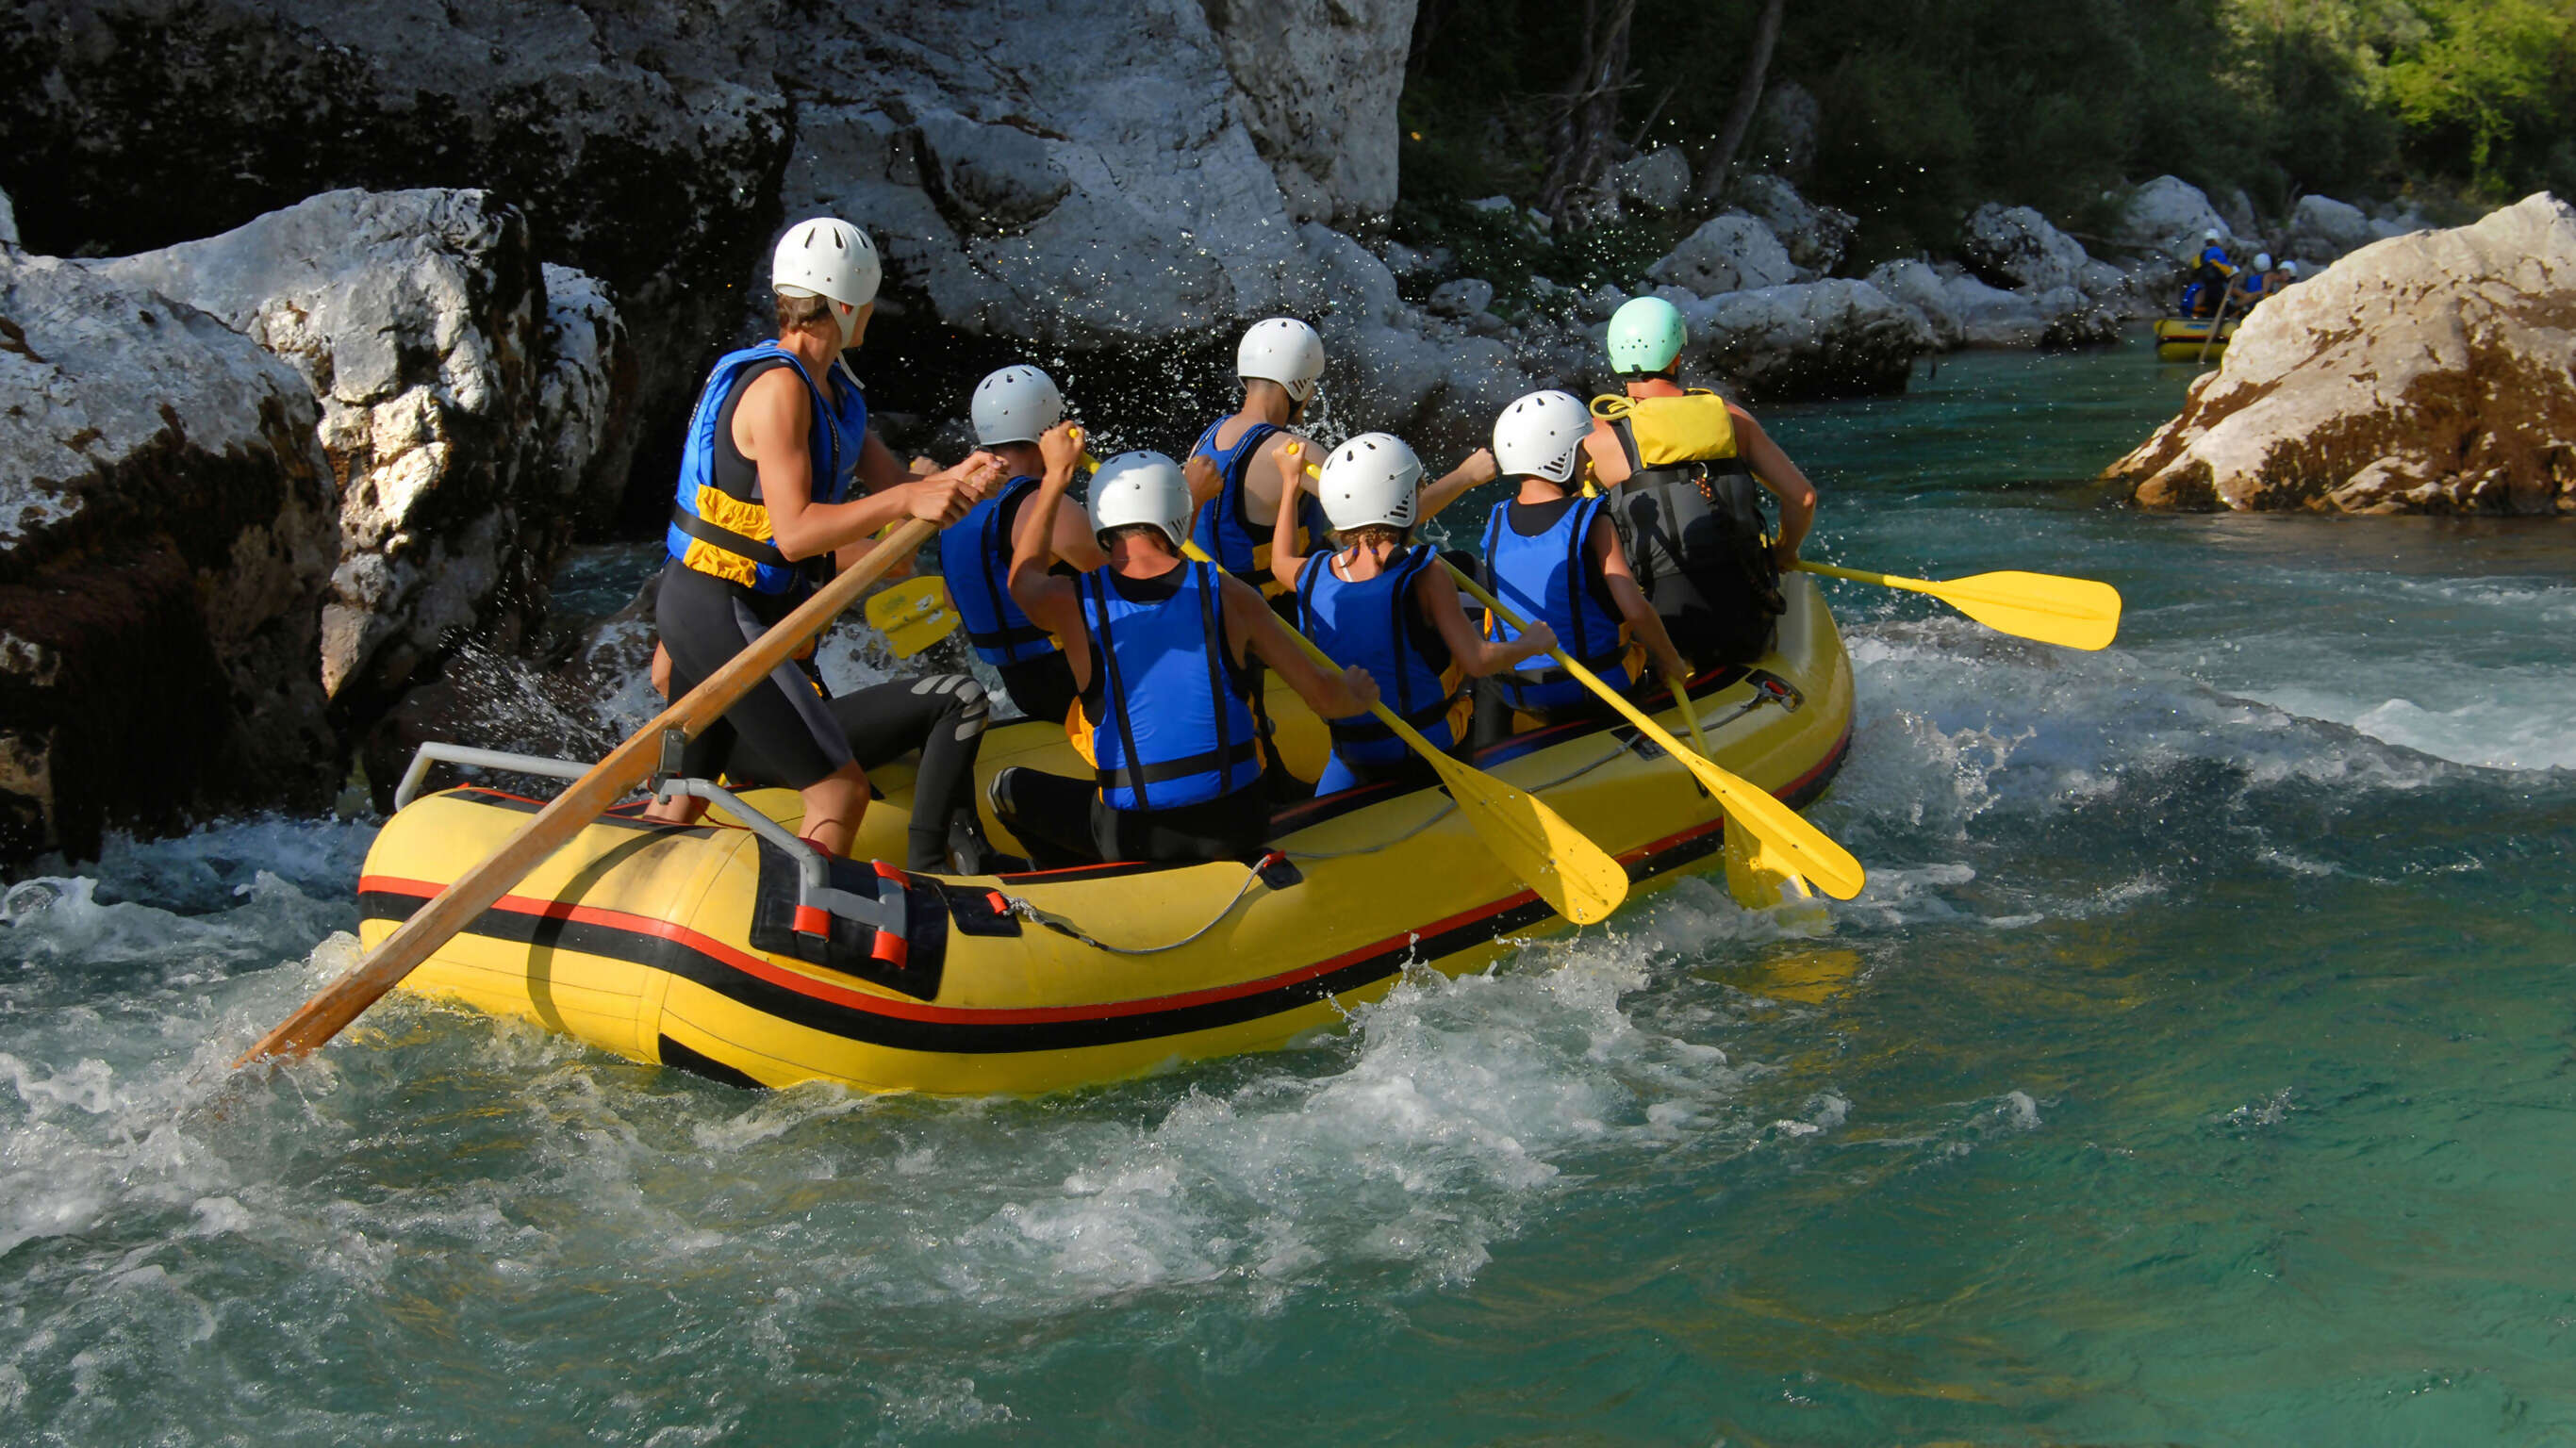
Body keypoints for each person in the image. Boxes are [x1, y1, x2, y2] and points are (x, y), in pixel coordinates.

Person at [643, 216, 1006, 870]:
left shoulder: (833, 392)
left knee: (682, 799)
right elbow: (797, 533)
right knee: (840, 788)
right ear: (845, 305)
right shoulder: (780, 389)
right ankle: (810, 932)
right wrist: (905, 499)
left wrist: (965, 477)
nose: (871, 316)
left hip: (723, 610)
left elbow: (902, 503)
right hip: (719, 609)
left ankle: (647, 884)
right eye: (867, 306)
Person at [990, 445, 1379, 866]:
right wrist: (1356, 692)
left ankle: (1076, 889)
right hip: (1239, 824)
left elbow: (1022, 579)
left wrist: (1054, 480)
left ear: (1100, 520)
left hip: (1136, 837)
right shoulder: (1233, 594)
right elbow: (1326, 699)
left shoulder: (1070, 602)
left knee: (1007, 789)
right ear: (1177, 509)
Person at [1265, 432, 1555, 795]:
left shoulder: (1313, 573)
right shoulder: (1425, 574)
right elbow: (1478, 660)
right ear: (1403, 501)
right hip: (1426, 755)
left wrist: (1291, 484)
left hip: (1352, 754)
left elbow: (1279, 562)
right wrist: (1532, 642)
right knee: (1475, 671)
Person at [1579, 295, 1817, 666]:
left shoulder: (1595, 441)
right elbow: (1803, 498)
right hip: (1748, 623)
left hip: (1666, 632)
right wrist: (1785, 550)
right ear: (1677, 356)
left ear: (1615, 360)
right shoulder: (1731, 418)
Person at [1472, 390, 1690, 744]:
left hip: (1521, 693)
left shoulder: (1496, 520)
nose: (1588, 460)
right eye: (1580, 450)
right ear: (1557, 457)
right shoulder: (1591, 517)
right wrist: (1670, 661)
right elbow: (1633, 608)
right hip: (1595, 690)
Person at [936, 365, 1106, 727]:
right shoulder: (1048, 506)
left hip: (1022, 687)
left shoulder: (957, 508)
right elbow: (1132, 580)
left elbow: (953, 599)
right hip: (1077, 684)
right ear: (1051, 430)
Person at [1186, 317, 1332, 597]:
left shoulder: (1205, 440)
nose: (1313, 393)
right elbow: (1384, 510)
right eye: (1312, 382)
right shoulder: (1292, 450)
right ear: (1298, 383)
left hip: (1221, 604)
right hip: (1283, 615)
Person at [2179, 229, 2236, 318]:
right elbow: (2227, 270)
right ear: (2215, 240)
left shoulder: (2201, 255)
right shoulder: (2217, 251)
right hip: (2216, 287)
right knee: (2227, 307)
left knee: (2210, 309)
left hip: (2204, 286)